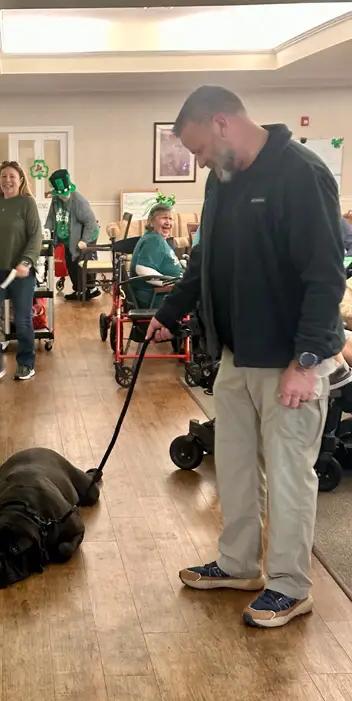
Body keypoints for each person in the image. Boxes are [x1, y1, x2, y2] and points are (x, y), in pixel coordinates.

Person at [146, 85, 346, 628]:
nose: (201, 162)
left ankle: (289, 584)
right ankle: (239, 564)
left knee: (287, 476)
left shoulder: (301, 174)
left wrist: (306, 362)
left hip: (290, 362)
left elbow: (326, 276)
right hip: (235, 354)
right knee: (232, 465)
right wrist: (171, 311)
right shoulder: (222, 181)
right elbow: (206, 259)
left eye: (202, 150)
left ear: (223, 123)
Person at [0, 160, 42, 384]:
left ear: (21, 179)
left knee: (23, 320)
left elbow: (36, 236)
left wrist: (26, 261)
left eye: (12, 176)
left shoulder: (27, 203)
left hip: (20, 272)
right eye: (4, 176)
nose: (7, 180)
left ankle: (26, 364)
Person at [45, 169, 101, 301]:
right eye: (60, 194)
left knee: (82, 263)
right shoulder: (56, 200)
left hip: (86, 236)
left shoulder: (79, 202)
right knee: (70, 263)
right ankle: (78, 290)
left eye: (65, 193)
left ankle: (91, 288)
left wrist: (84, 241)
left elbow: (91, 224)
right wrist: (46, 231)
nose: (62, 196)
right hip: (68, 238)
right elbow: (51, 217)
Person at [129, 203, 183, 309]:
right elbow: (142, 270)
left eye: (171, 219)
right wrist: (172, 285)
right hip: (157, 298)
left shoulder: (156, 238)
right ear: (151, 221)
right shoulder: (154, 240)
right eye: (164, 218)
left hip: (163, 295)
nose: (168, 222)